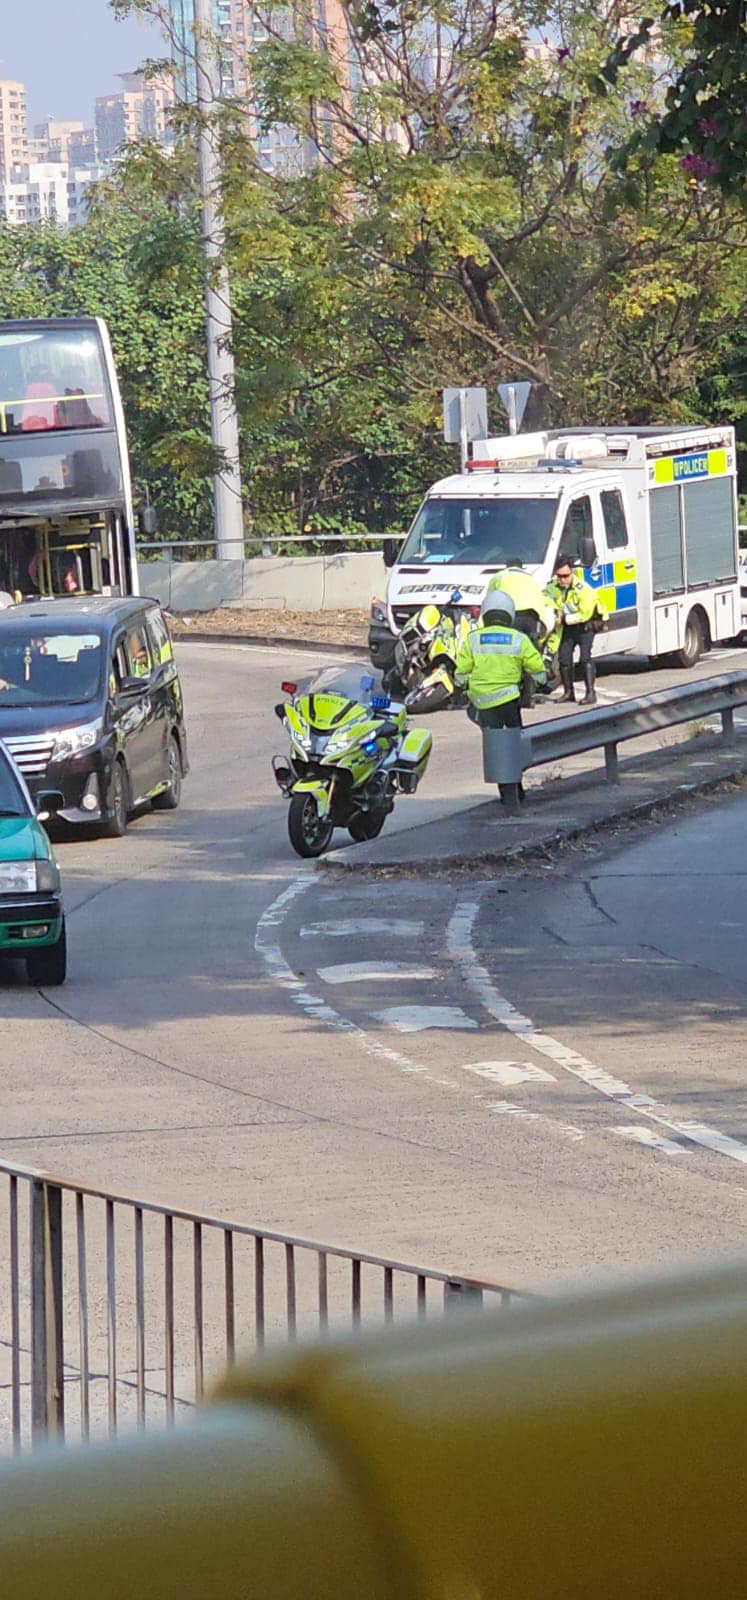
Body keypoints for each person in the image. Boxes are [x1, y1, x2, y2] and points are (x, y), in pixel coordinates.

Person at [456, 590, 546, 806]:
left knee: (495, 746)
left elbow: (461, 671)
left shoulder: (474, 639)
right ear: (509, 614)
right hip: (509, 700)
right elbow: (536, 666)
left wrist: (461, 684)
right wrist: (543, 680)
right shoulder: (518, 639)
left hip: (482, 702)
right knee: (514, 744)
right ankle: (516, 787)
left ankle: (505, 790)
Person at [545, 557, 607, 705]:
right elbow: (545, 598)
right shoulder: (553, 586)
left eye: (565, 576)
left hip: (586, 625)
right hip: (567, 626)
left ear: (572, 573)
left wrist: (564, 619)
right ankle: (568, 693)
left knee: (585, 658)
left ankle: (590, 693)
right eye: (559, 576)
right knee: (564, 659)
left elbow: (584, 614)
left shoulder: (583, 589)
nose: (562, 579)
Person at [487, 558, 555, 644]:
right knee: (529, 648)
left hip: (512, 616)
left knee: (510, 648)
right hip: (532, 617)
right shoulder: (532, 578)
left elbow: (489, 600)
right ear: (521, 567)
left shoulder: (499, 576)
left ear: (506, 566)